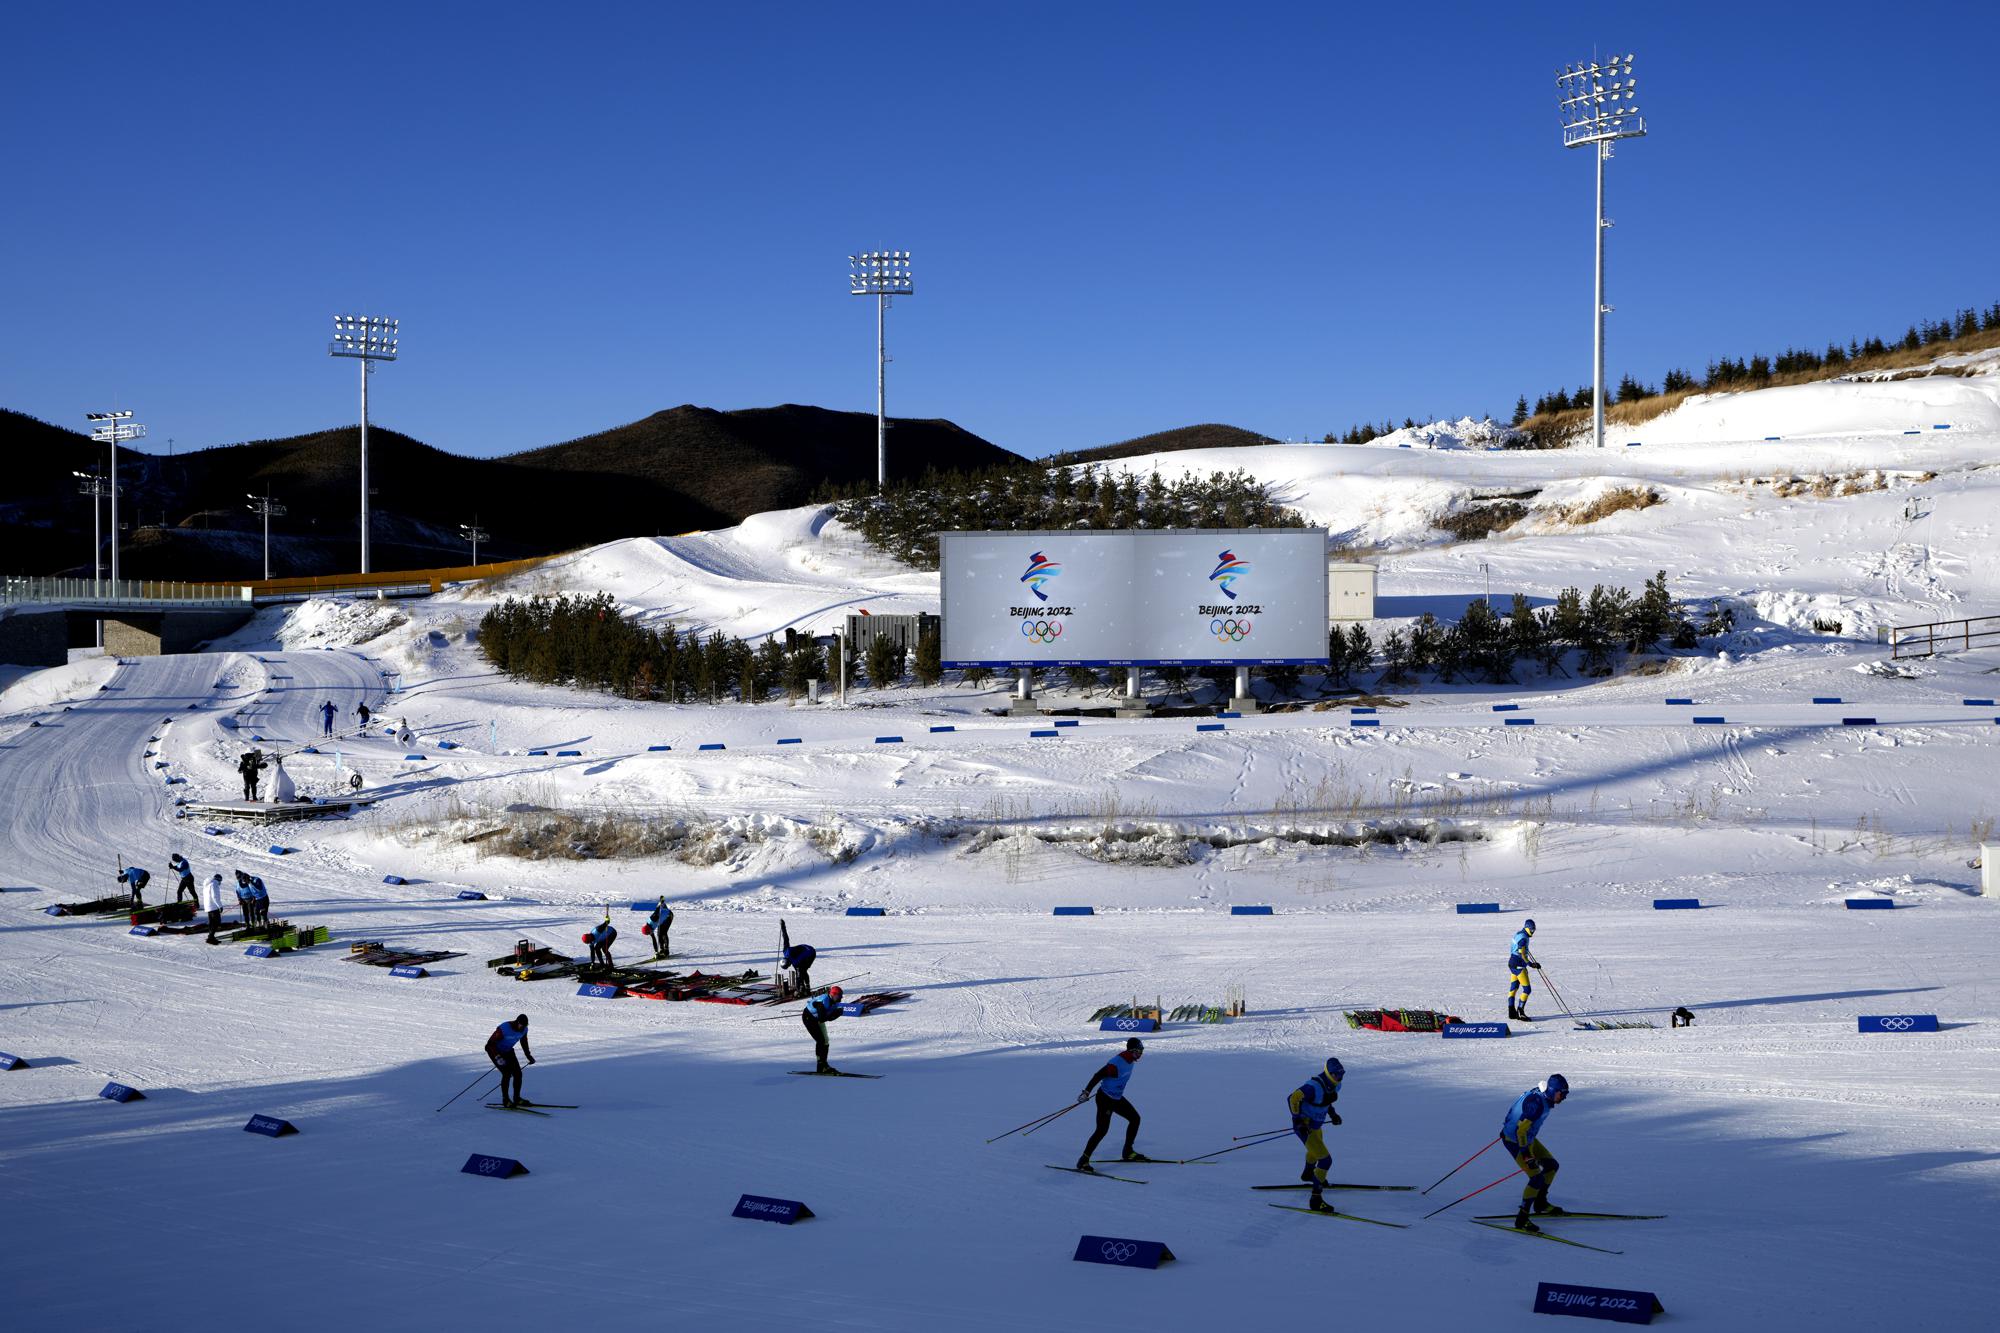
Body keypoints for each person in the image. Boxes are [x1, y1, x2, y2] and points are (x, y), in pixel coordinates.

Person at [1501, 1074, 1569, 1232]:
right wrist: (1526, 1154)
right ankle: (1522, 1219)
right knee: (1536, 1178)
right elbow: (1521, 1129)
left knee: (1551, 1166)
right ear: (1552, 1091)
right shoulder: (1537, 1104)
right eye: (1562, 1093)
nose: (1564, 1097)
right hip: (1516, 1141)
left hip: (1526, 1138)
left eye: (1566, 1094)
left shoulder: (1543, 1096)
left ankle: (1540, 1203)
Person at [1075, 1037, 1149, 1171]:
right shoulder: (1116, 1063)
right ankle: (1083, 1160)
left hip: (1116, 1098)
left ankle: (1128, 1152)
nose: (1140, 1054)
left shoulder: (1131, 1060)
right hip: (1105, 1099)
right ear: (1131, 1051)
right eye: (1138, 1051)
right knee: (1102, 1130)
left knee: (1135, 1119)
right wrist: (1086, 1092)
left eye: (1141, 1051)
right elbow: (1098, 1075)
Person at [1287, 1056, 1345, 1213]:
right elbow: (1292, 1098)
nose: (1339, 1077)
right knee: (1325, 1161)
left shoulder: (1335, 1085)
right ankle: (1316, 1199)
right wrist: (1298, 1121)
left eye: (1341, 1074)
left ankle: (1308, 1174)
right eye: (1336, 1074)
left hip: (1316, 1125)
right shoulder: (1313, 1087)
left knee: (1314, 1151)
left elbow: (1326, 1101)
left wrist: (1333, 1114)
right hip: (1305, 1127)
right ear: (1328, 1072)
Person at [484, 1014, 536, 1108]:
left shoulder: (524, 1029)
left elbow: (524, 1042)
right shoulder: (504, 1028)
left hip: (508, 1051)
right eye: (522, 1025)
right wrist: (497, 1057)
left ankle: (517, 1098)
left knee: (518, 1074)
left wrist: (528, 1055)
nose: (523, 1028)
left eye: (525, 1026)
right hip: (494, 1050)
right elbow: (490, 1044)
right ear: (517, 1022)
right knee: (507, 1074)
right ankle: (506, 1100)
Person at [800, 986, 845, 1073]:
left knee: (825, 1041)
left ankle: (824, 1065)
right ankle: (821, 1066)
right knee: (820, 1040)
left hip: (817, 1019)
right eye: (839, 996)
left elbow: (829, 1018)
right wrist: (837, 1013)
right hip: (809, 1018)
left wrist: (836, 1013)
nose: (841, 998)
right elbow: (823, 1018)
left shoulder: (834, 1002)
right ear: (833, 995)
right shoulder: (823, 1001)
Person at [1507, 918, 1541, 1021]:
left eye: (1533, 930)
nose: (1532, 932)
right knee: (1527, 989)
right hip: (1519, 966)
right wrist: (1531, 964)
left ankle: (1511, 1012)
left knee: (1514, 988)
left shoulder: (1519, 933)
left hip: (1512, 963)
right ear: (1527, 928)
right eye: (1531, 930)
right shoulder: (1523, 938)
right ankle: (1520, 1012)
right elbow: (1522, 954)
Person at [779, 919, 815, 998]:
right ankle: (802, 987)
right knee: (800, 970)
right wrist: (783, 926)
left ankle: (806, 987)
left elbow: (798, 977)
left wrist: (797, 990)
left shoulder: (796, 961)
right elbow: (785, 938)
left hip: (811, 953)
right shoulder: (786, 951)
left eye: (787, 966)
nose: (789, 967)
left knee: (802, 970)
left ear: (788, 964)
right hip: (803, 949)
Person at [199, 872, 226, 944]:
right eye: (220, 881)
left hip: (208, 907)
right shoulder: (214, 884)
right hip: (213, 907)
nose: (220, 883)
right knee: (216, 922)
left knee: (212, 923)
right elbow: (215, 897)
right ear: (219, 880)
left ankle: (210, 937)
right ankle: (211, 938)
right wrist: (220, 906)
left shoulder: (207, 885)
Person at [646, 895, 674, 960]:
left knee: (663, 932)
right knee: (659, 934)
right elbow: (654, 940)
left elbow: (656, 911)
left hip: (668, 916)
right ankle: (661, 949)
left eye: (649, 933)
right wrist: (656, 952)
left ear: (649, 930)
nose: (650, 934)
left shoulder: (653, 919)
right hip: (662, 920)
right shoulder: (649, 929)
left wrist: (661, 902)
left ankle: (666, 950)